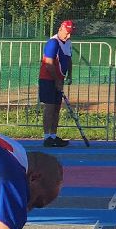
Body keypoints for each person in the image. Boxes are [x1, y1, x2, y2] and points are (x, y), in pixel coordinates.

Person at [39, 19, 75, 148]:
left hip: (59, 79)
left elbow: (69, 59)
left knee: (56, 109)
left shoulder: (68, 43)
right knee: (49, 108)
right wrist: (57, 80)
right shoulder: (53, 43)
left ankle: (53, 135)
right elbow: (48, 63)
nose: (69, 35)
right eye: (67, 32)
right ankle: (47, 137)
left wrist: (69, 75)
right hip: (48, 80)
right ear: (61, 28)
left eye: (71, 33)